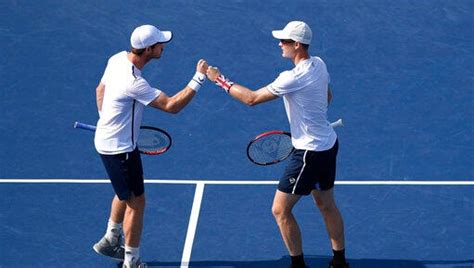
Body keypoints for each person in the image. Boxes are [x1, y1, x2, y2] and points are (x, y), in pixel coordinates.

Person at [206, 21, 348, 268]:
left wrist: (219, 79)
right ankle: (339, 262)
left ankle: (298, 265)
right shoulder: (320, 64)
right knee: (326, 204)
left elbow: (251, 99)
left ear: (296, 45)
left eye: (284, 41)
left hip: (308, 154)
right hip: (327, 144)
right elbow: (328, 96)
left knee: (280, 210)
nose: (279, 44)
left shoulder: (290, 78)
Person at [92, 24, 208, 268]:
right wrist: (199, 78)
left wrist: (106, 119)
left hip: (109, 141)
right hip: (120, 149)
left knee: (124, 191)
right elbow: (171, 106)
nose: (163, 46)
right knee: (137, 202)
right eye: (159, 44)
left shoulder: (116, 59)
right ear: (147, 50)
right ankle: (131, 262)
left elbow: (100, 89)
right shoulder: (134, 82)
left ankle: (111, 238)